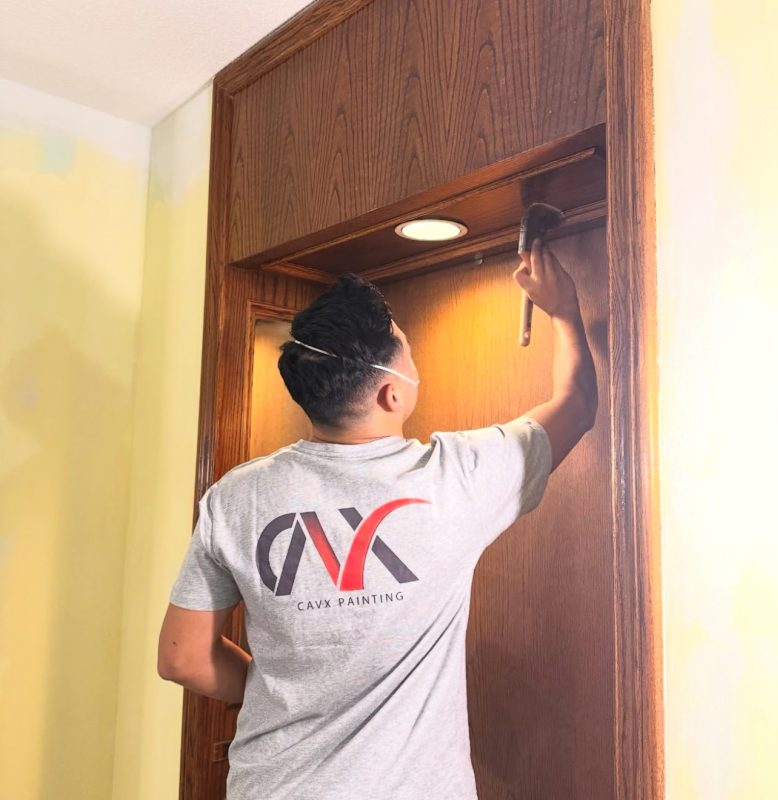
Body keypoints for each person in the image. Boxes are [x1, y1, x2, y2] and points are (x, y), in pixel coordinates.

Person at [157, 239, 597, 800]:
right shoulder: (457, 478)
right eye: (409, 351)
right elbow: (577, 403)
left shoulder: (236, 497)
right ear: (392, 393)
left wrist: (289, 694)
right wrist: (564, 308)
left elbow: (182, 657)